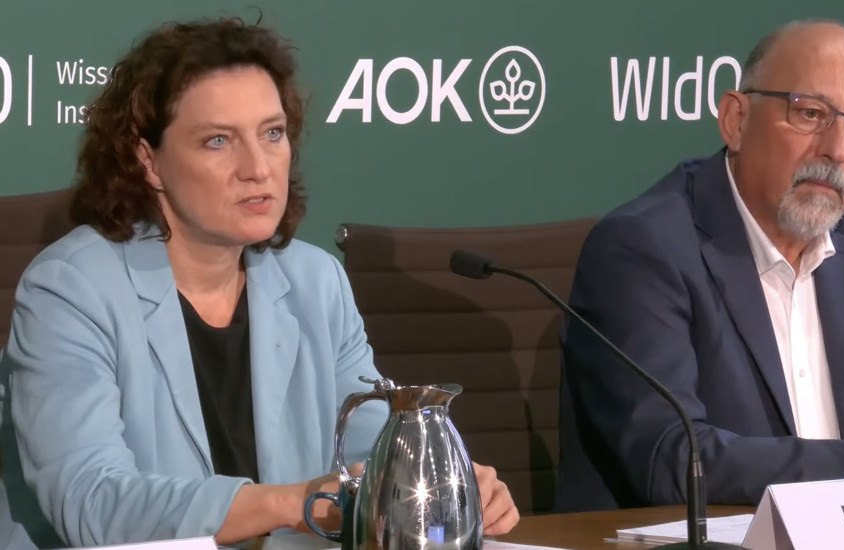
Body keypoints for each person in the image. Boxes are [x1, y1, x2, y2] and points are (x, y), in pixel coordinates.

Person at [0, 17, 519, 549]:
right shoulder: (70, 290)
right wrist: (296, 502)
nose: (257, 167)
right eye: (218, 141)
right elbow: (93, 504)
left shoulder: (316, 282)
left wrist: (433, 481)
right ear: (148, 160)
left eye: (272, 133)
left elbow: (371, 453)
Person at [556, 19, 844, 512]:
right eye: (811, 114)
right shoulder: (641, 250)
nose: (836, 150)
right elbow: (673, 461)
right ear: (736, 120)